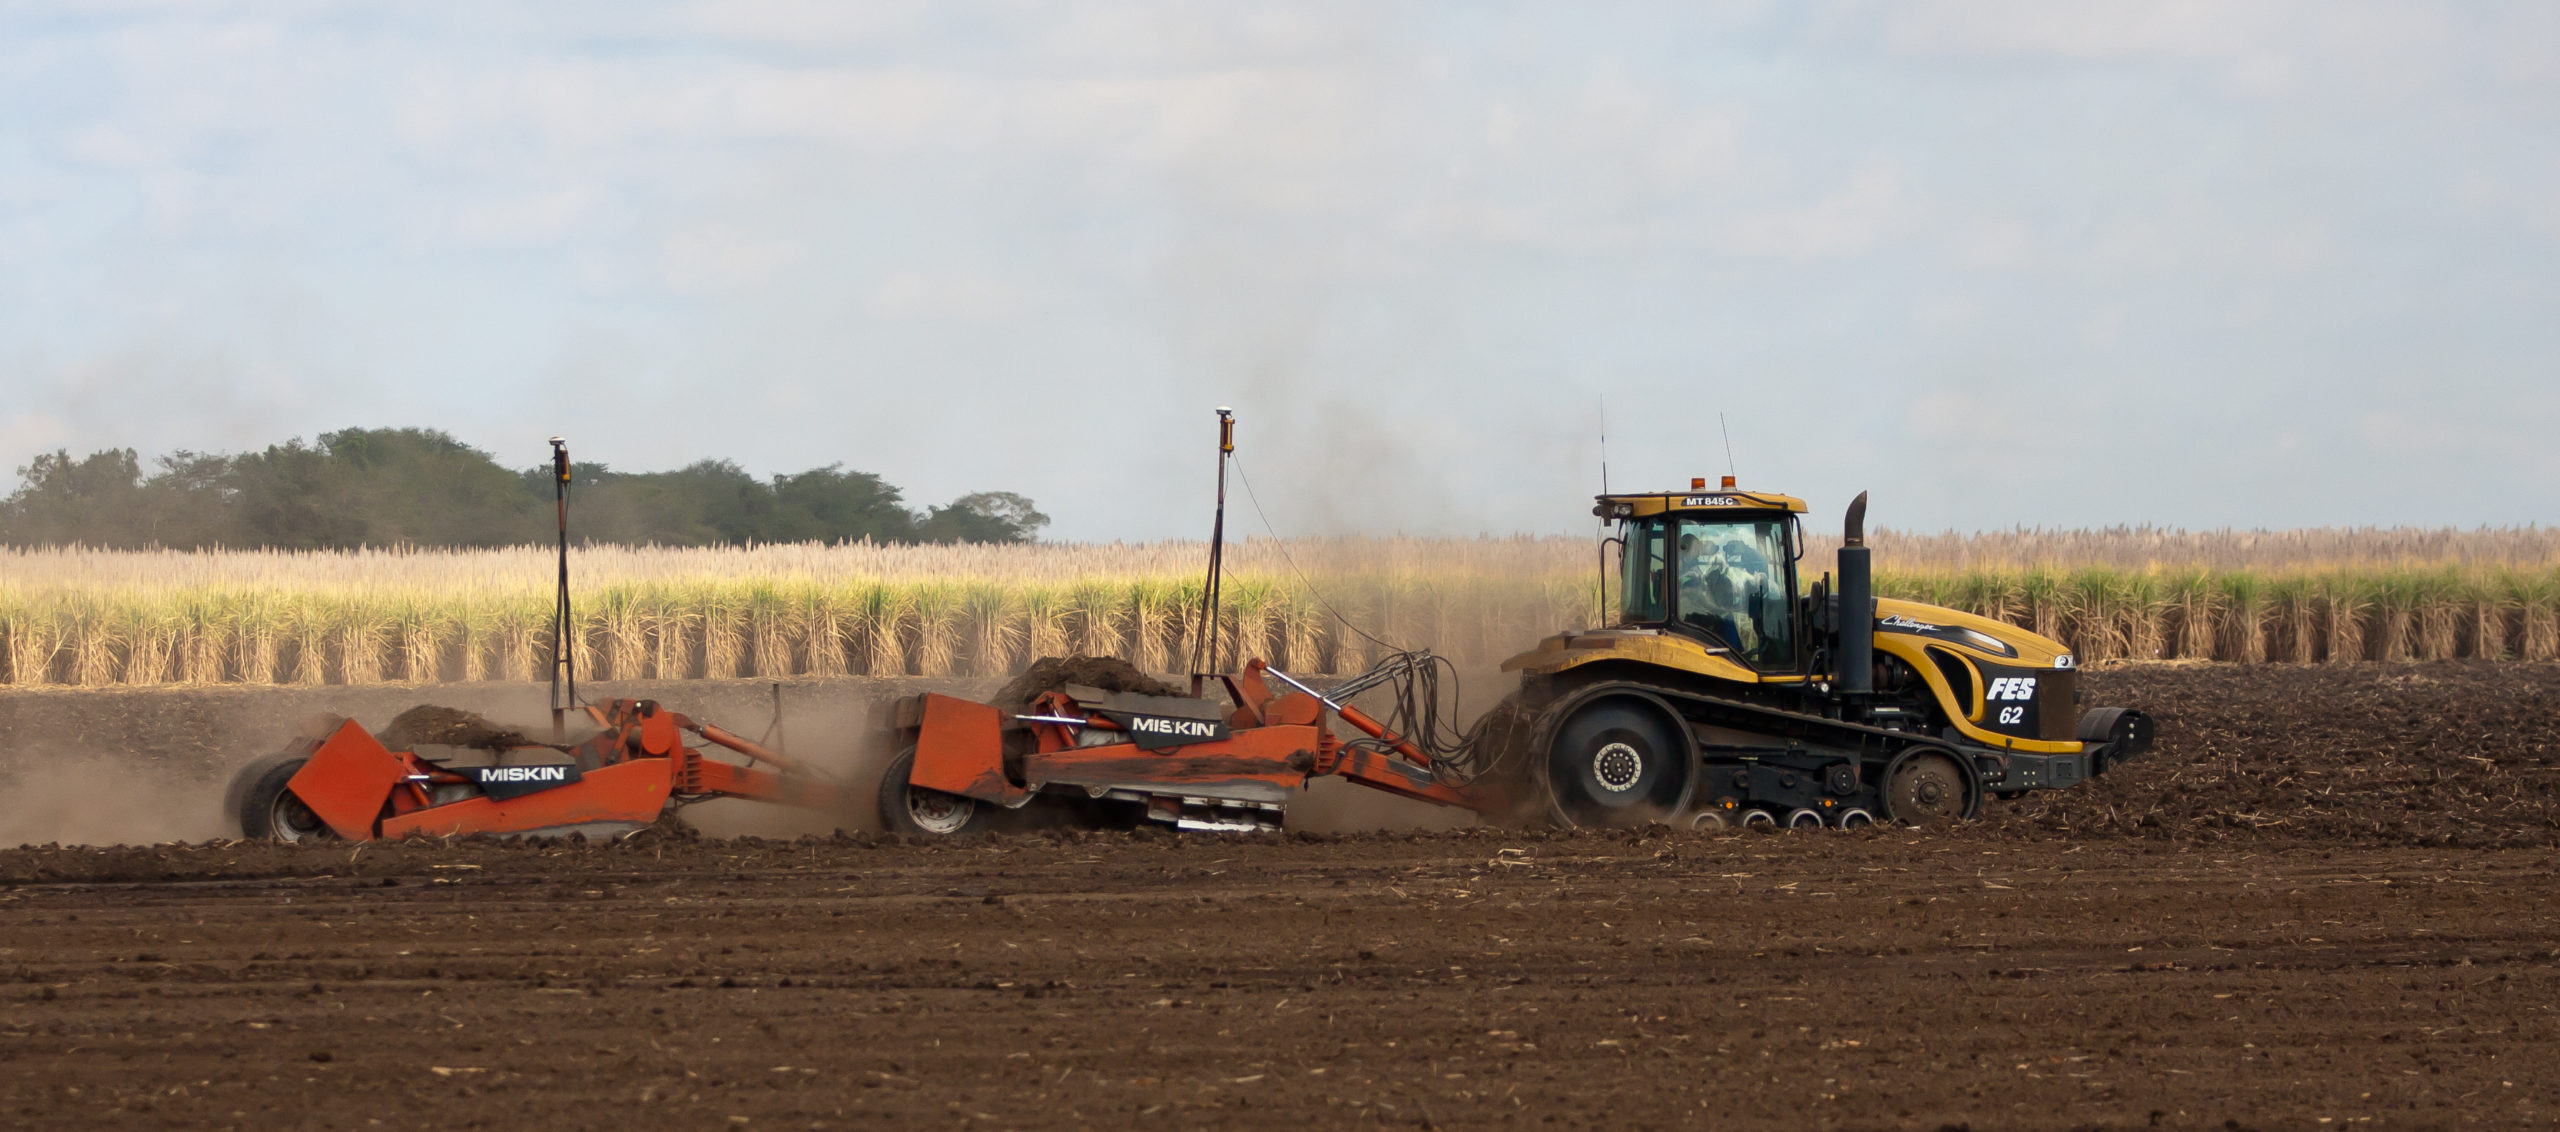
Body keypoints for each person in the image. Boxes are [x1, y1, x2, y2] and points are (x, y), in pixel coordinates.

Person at [1679, 531, 1772, 653]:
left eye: (1700, 550)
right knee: (1727, 620)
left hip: (1696, 613)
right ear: (1684, 550)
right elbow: (1699, 596)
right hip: (1689, 618)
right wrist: (1721, 610)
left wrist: (1744, 549)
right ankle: (1738, 655)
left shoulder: (1693, 569)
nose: (1699, 554)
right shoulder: (1684, 574)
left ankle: (1739, 653)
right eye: (1696, 550)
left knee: (1729, 618)